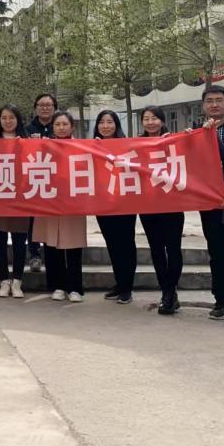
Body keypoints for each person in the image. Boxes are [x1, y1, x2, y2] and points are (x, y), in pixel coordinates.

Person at [34, 111, 87, 301]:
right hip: (49, 202)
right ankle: (57, 286)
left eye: (65, 124)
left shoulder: (82, 147)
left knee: (74, 246)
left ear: (72, 127)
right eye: (57, 125)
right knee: (51, 245)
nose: (61, 128)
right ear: (52, 127)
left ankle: (75, 288)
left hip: (73, 203)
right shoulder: (44, 146)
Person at [138, 106, 184, 316]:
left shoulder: (174, 141)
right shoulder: (135, 144)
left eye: (154, 118)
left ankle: (170, 290)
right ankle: (166, 291)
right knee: (156, 249)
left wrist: (189, 137)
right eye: (146, 119)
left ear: (163, 121)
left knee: (173, 248)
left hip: (172, 204)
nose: (150, 122)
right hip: (147, 206)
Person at [198, 85, 224, 320]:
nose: (214, 104)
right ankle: (222, 300)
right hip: (210, 203)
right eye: (209, 100)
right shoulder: (196, 132)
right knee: (218, 253)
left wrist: (211, 136)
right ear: (203, 106)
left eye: (219, 100)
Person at [92, 109, 136, 305]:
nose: (105, 126)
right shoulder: (92, 146)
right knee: (112, 244)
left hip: (125, 203)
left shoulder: (127, 145)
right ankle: (119, 283)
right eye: (102, 122)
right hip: (103, 204)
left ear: (117, 125)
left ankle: (127, 288)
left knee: (126, 244)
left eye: (110, 122)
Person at [0, 105, 30, 298]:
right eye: (4, 118)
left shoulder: (27, 141)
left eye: (11, 117)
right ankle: (3, 280)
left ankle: (17, 281)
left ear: (18, 119)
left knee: (20, 241)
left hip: (21, 197)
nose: (8, 121)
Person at [25, 93, 57, 271]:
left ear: (54, 108)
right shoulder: (27, 129)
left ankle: (52, 251)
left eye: (49, 105)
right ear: (35, 108)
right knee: (33, 219)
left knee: (52, 218)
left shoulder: (60, 126)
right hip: (33, 180)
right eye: (41, 105)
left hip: (55, 181)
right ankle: (34, 254)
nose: (45, 108)